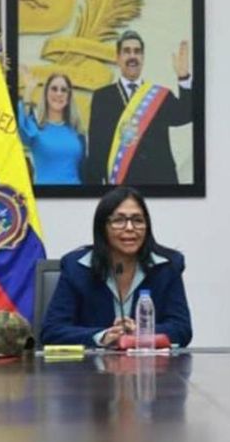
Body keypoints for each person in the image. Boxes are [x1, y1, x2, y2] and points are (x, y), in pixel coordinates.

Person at [41, 186, 192, 347]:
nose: (130, 228)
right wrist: (102, 336)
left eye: (138, 220)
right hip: (92, 363)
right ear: (102, 227)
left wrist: (142, 332)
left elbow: (182, 330)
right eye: (119, 221)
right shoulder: (77, 268)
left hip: (150, 362)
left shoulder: (167, 267)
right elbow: (52, 331)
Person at [85, 30, 193, 186]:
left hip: (160, 182)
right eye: (126, 51)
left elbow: (186, 114)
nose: (132, 56)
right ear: (118, 58)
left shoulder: (160, 95)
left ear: (143, 58)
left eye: (137, 51)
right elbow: (96, 148)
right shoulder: (102, 97)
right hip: (122, 185)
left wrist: (184, 77)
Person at [17, 67, 85, 184]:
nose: (59, 93)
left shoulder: (77, 131)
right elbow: (22, 130)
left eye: (64, 90)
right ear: (46, 94)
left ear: (68, 97)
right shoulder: (36, 128)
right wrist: (28, 91)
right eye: (54, 89)